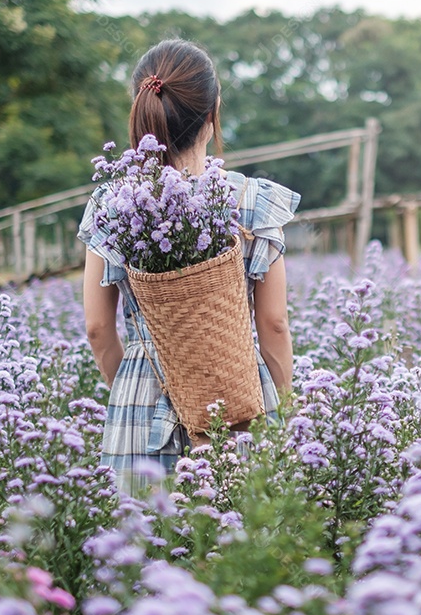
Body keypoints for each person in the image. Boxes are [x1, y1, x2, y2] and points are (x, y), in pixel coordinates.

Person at [77, 39, 300, 495]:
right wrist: (281, 402)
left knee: (140, 557)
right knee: (242, 550)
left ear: (141, 108)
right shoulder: (253, 201)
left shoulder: (111, 204)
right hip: (237, 399)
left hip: (141, 404)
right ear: (214, 109)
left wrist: (135, 387)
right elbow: (273, 323)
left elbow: (98, 328)